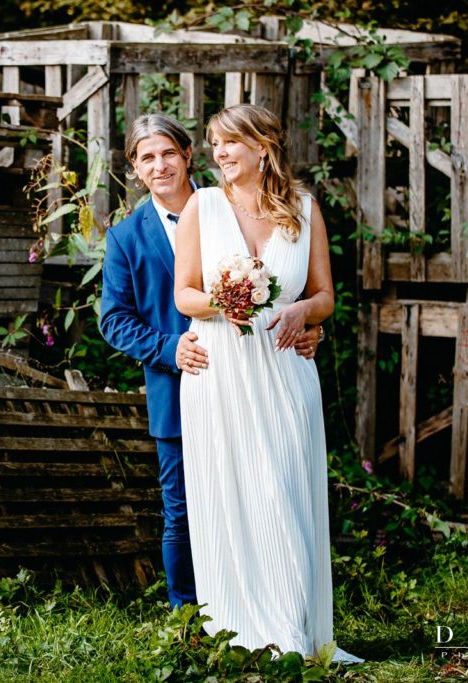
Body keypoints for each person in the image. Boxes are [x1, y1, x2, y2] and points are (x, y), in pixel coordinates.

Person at [100, 114, 322, 610]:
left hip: (259, 375)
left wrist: (310, 324)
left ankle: (260, 608)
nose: (160, 166)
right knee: (184, 509)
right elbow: (113, 319)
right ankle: (190, 616)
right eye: (147, 158)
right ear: (135, 169)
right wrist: (167, 349)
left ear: (187, 157)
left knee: (264, 495)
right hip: (182, 385)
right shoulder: (126, 237)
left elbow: (290, 281)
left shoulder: (230, 203)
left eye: (168, 154)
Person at [173, 104, 362, 663]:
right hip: (220, 373)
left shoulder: (302, 211)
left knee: (283, 491)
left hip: (284, 369)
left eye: (230, 143)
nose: (220, 154)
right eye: (213, 144)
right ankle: (241, 629)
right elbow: (184, 294)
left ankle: (294, 629)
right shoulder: (200, 209)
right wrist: (224, 301)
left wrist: (305, 313)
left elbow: (326, 295)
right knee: (228, 494)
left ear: (263, 145)